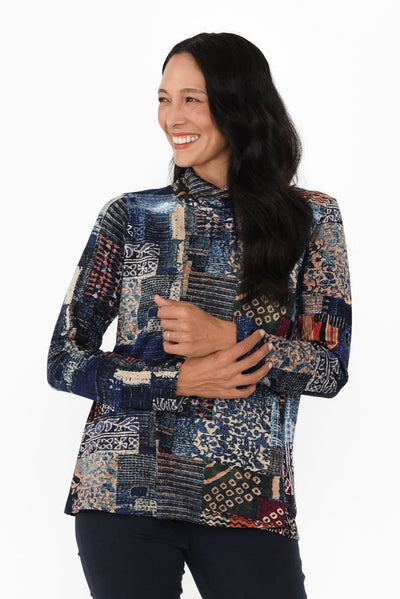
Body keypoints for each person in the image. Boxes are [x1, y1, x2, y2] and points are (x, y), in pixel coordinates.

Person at [47, 32, 351, 599]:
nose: (173, 117)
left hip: (248, 498)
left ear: (240, 104)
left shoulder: (311, 219)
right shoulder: (131, 216)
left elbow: (330, 369)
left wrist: (228, 337)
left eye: (193, 99)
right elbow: (64, 360)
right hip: (123, 490)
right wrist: (180, 380)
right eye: (164, 98)